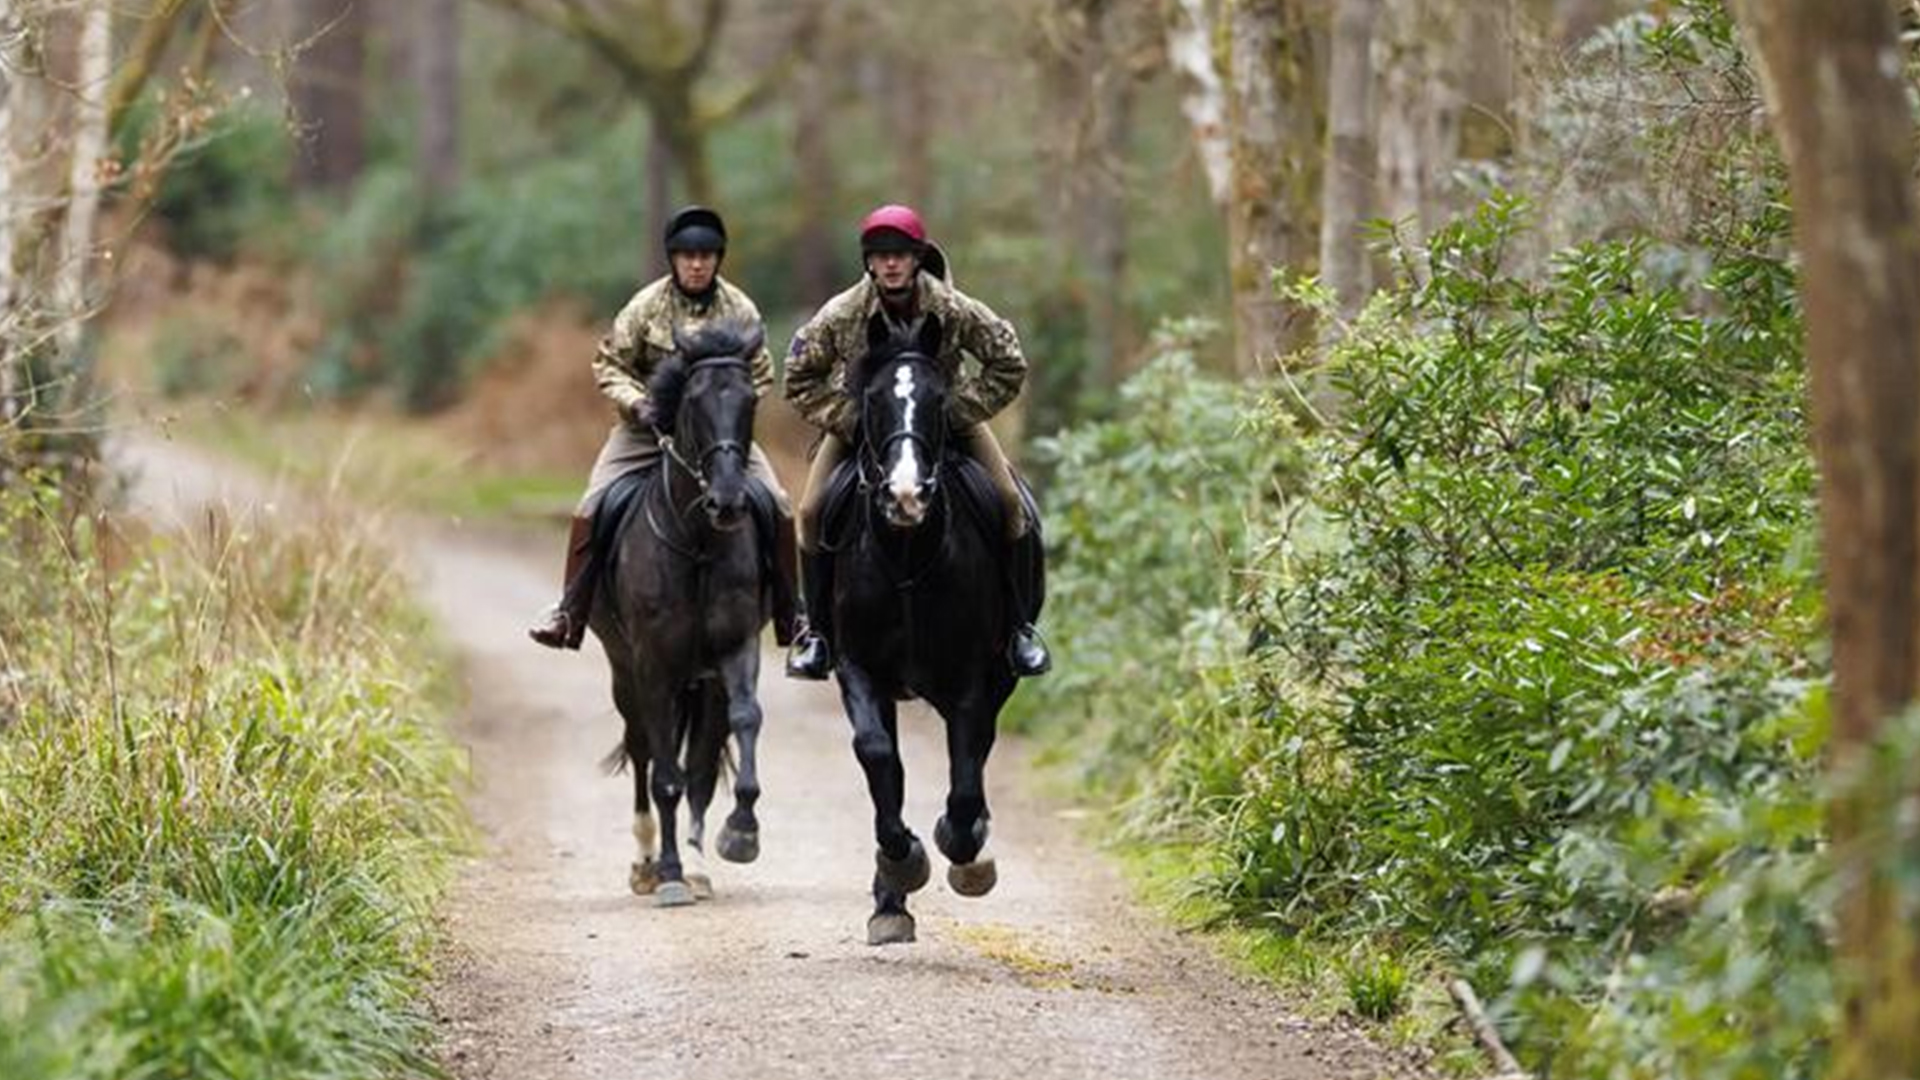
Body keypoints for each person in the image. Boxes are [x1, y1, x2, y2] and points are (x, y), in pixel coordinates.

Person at [782, 203, 1050, 680]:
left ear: (916, 258)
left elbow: (1009, 363)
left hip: (943, 416)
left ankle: (1017, 629)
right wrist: (853, 418)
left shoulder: (952, 307)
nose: (891, 263)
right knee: (808, 512)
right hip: (865, 423)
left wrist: (952, 412)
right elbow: (799, 377)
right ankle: (819, 635)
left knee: (1011, 503)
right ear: (868, 261)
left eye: (901, 254)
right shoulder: (842, 313)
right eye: (881, 255)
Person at [528, 205, 798, 650]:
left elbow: (762, 372)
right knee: (593, 503)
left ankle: (793, 617)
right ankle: (569, 611)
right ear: (673, 259)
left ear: (718, 259)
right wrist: (640, 404)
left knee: (779, 503)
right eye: (688, 255)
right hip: (645, 430)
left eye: (707, 255)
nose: (697, 264)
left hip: (718, 436)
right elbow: (609, 363)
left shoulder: (739, 308)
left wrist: (727, 412)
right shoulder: (645, 306)